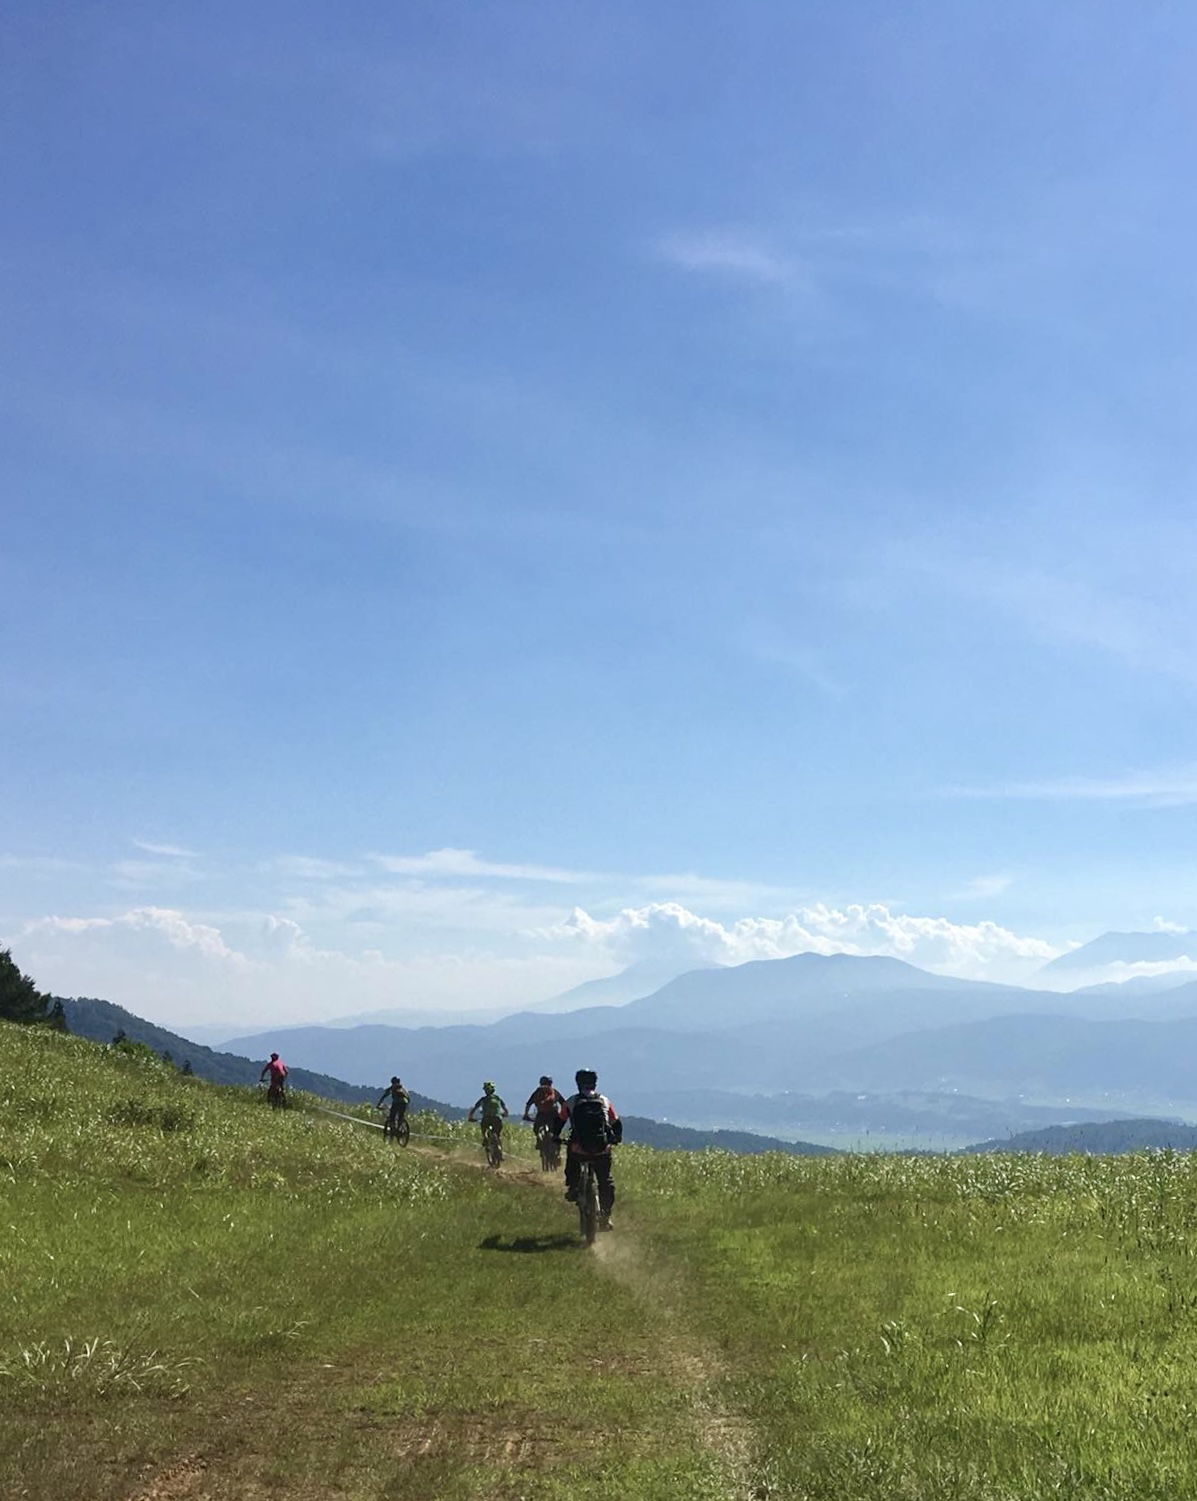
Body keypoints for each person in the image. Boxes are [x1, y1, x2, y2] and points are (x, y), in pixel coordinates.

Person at [555, 1068, 622, 1229]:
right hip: (602, 1150)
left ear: (578, 1083)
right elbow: (616, 1122)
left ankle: (573, 1187)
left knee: (572, 1158)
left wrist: (555, 1136)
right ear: (595, 1083)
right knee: (605, 1181)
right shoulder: (604, 1101)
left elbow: (559, 1121)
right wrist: (616, 1138)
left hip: (579, 1150)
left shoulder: (571, 1101)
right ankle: (605, 1217)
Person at [467, 1081, 509, 1149]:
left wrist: (470, 1117)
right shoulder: (497, 1098)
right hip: (497, 1118)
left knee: (484, 1129)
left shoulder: (483, 1099)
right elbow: (505, 1109)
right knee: (498, 1135)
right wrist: (505, 1114)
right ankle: (500, 1151)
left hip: (486, 1118)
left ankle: (485, 1139)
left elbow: (474, 1109)